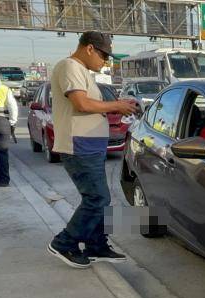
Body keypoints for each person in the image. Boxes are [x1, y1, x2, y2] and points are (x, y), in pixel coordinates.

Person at [47, 31, 137, 269]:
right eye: (103, 56)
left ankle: (97, 244)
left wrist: (119, 107)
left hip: (90, 145)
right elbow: (82, 104)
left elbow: (92, 105)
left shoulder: (82, 71)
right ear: (89, 49)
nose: (105, 62)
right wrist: (116, 105)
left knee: (102, 200)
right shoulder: (70, 66)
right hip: (79, 146)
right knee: (97, 198)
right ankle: (64, 242)